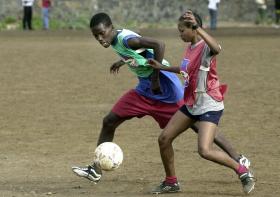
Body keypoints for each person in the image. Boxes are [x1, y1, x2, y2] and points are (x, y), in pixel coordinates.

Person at [71, 12, 251, 187]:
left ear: (111, 28)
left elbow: (159, 44)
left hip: (164, 88)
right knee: (109, 121)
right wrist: (123, 61)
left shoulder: (127, 39)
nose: (100, 39)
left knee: (197, 124)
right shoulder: (115, 39)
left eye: (102, 33)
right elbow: (141, 51)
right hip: (144, 89)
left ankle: (237, 159)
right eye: (96, 36)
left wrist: (156, 78)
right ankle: (96, 169)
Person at [148, 10, 255, 194]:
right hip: (192, 103)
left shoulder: (205, 46)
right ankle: (171, 182)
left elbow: (218, 48)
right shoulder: (190, 47)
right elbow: (186, 70)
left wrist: (199, 29)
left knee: (205, 150)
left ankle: (242, 171)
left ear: (193, 28)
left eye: (182, 30)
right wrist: (162, 67)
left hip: (209, 104)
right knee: (164, 139)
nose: (180, 33)